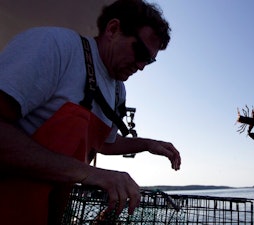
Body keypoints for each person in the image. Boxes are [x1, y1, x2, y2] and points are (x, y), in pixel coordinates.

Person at [0, 0, 181, 224]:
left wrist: (147, 144)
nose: (142, 65)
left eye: (149, 61)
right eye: (140, 51)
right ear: (113, 29)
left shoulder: (117, 91)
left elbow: (104, 143)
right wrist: (91, 174)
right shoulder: (55, 46)